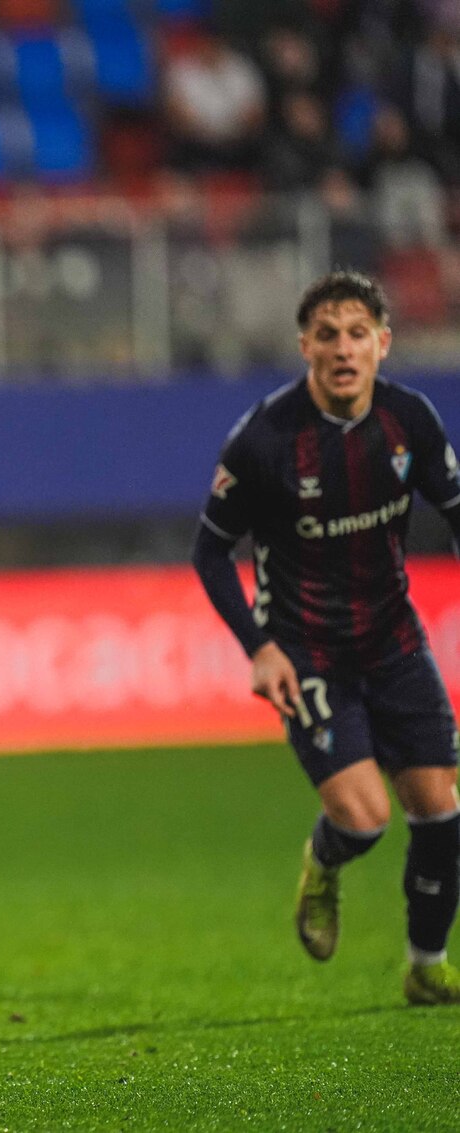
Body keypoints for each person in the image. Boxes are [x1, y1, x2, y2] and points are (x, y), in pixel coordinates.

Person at [192, 269, 460, 1005]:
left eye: (357, 334)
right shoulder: (265, 439)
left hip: (393, 639)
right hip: (306, 650)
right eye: (328, 335)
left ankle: (426, 966)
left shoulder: (410, 420)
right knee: (366, 820)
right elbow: (210, 552)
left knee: (441, 809)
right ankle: (324, 861)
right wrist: (259, 647)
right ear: (304, 346)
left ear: (383, 344)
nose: (344, 349)